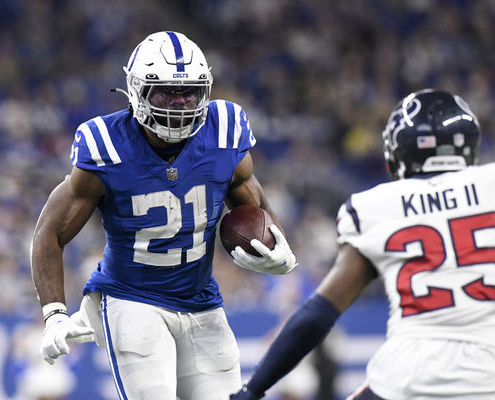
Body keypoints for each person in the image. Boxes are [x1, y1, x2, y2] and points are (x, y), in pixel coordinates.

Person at [230, 88, 495, 400]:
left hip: (406, 383)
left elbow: (318, 313)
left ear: (399, 151)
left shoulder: (376, 207)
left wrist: (253, 389)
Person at [30, 31, 298, 400]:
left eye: (189, 91)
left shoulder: (224, 130)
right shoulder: (105, 144)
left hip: (202, 300)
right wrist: (54, 311)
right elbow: (49, 232)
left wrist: (281, 250)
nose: (180, 102)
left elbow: (256, 207)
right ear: (137, 92)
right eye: (166, 92)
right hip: (132, 299)